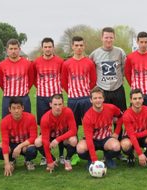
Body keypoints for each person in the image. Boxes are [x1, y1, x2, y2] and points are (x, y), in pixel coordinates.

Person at [90, 27, 127, 160]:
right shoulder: (94, 54)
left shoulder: (120, 52)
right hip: (103, 91)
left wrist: (118, 81)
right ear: (102, 38)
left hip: (118, 89)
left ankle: (118, 151)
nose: (108, 40)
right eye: (106, 37)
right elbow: (91, 71)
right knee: (104, 121)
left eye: (111, 37)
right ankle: (104, 148)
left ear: (114, 38)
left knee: (119, 119)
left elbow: (124, 69)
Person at [61, 36, 96, 165]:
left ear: (84, 46)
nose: (79, 48)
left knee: (89, 128)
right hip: (72, 100)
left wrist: (85, 92)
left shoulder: (89, 63)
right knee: (72, 129)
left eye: (81, 45)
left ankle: (88, 155)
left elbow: (93, 81)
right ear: (72, 46)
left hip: (86, 99)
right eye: (76, 45)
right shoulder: (67, 63)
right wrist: (72, 93)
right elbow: (64, 82)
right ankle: (72, 154)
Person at [33, 37, 64, 166]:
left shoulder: (60, 61)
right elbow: (33, 79)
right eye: (45, 47)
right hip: (42, 97)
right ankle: (47, 156)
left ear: (53, 47)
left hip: (56, 97)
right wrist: (41, 89)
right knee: (43, 126)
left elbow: (63, 77)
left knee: (61, 126)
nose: (47, 49)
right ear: (42, 48)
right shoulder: (36, 62)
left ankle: (62, 155)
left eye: (49, 46)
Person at [76, 87, 122, 169]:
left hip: (106, 139)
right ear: (91, 100)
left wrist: (116, 132)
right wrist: (95, 160)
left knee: (116, 146)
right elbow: (89, 139)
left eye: (100, 98)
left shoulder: (111, 108)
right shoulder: (87, 116)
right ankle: (90, 160)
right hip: (92, 140)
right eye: (95, 98)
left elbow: (121, 117)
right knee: (80, 148)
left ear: (103, 98)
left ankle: (107, 158)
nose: (98, 100)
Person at [0, 97, 38, 176]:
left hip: (25, 145)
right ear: (9, 109)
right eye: (13, 108)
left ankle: (28, 160)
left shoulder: (30, 118)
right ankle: (11, 161)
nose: (16, 111)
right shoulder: (4, 121)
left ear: (22, 108)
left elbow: (33, 138)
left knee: (32, 150)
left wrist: (19, 146)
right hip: (11, 144)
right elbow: (5, 142)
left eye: (18, 108)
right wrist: (6, 163)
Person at [34, 94, 77, 172]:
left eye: (60, 104)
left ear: (63, 104)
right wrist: (50, 160)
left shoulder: (68, 112)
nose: (58, 107)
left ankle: (67, 160)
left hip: (63, 136)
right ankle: (53, 160)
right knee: (37, 142)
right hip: (50, 137)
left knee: (73, 140)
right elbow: (45, 140)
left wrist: (58, 139)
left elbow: (73, 130)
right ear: (50, 104)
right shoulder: (45, 118)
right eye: (55, 104)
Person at [125, 32, 147, 116]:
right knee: (134, 117)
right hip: (135, 93)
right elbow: (127, 74)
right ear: (137, 42)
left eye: (145, 42)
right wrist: (134, 86)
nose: (143, 44)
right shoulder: (130, 57)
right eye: (141, 42)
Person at [120, 89, 147, 167]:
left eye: (139, 98)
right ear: (131, 100)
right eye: (135, 99)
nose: (137, 101)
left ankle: (146, 155)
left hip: (143, 135)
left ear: (143, 99)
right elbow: (131, 135)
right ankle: (131, 156)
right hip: (130, 137)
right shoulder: (127, 114)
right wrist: (139, 154)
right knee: (125, 145)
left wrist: (137, 135)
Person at [0, 39, 34, 118]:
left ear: (19, 49)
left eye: (15, 48)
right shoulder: (1, 65)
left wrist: (24, 90)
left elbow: (31, 80)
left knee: (26, 121)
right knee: (6, 122)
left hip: (23, 98)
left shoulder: (28, 63)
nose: (13, 51)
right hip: (8, 98)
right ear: (7, 50)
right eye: (11, 49)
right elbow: (1, 83)